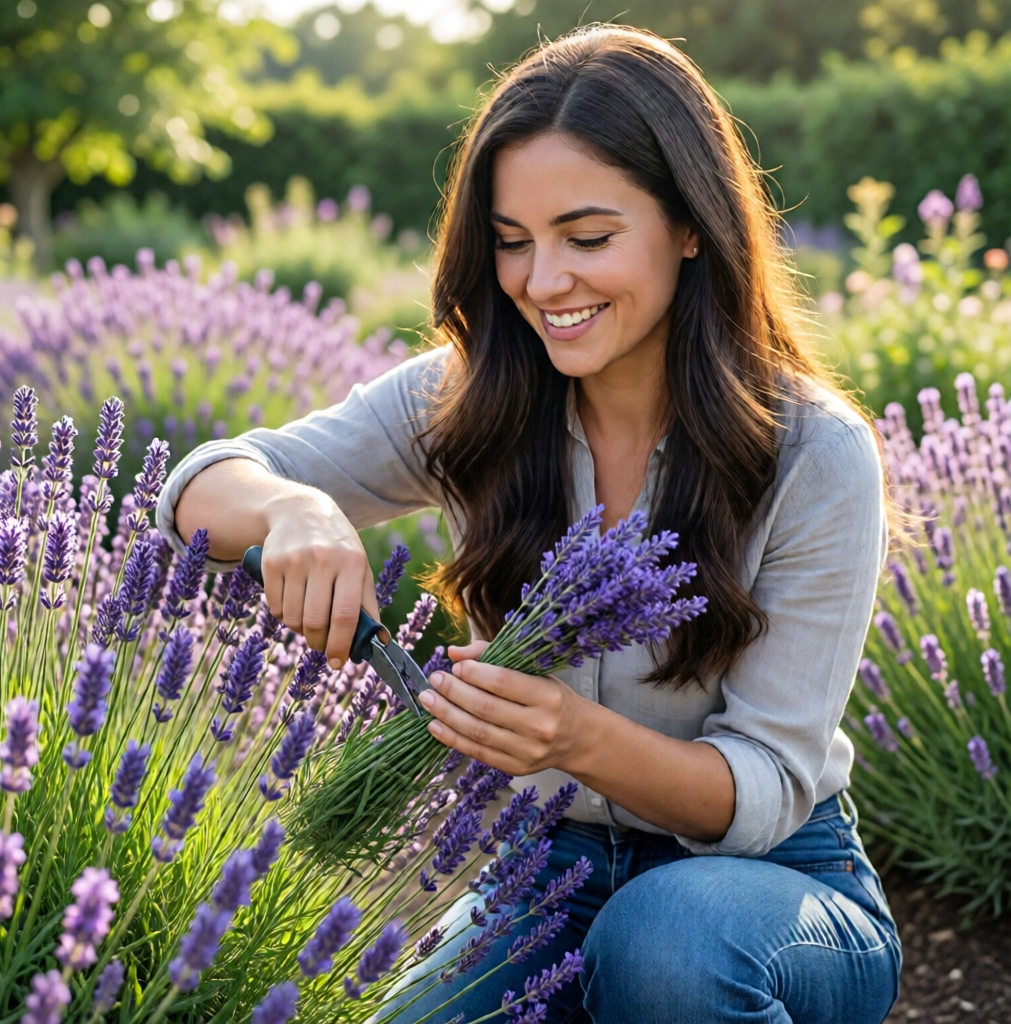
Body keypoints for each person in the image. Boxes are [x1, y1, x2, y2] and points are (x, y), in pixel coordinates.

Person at [157, 24, 901, 1024]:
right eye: (513, 242)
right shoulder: (473, 401)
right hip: (545, 864)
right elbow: (198, 488)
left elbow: (762, 791)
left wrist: (576, 736)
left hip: (773, 889)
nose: (544, 281)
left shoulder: (812, 453)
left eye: (586, 238)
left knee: (666, 946)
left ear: (690, 224)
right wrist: (294, 509)